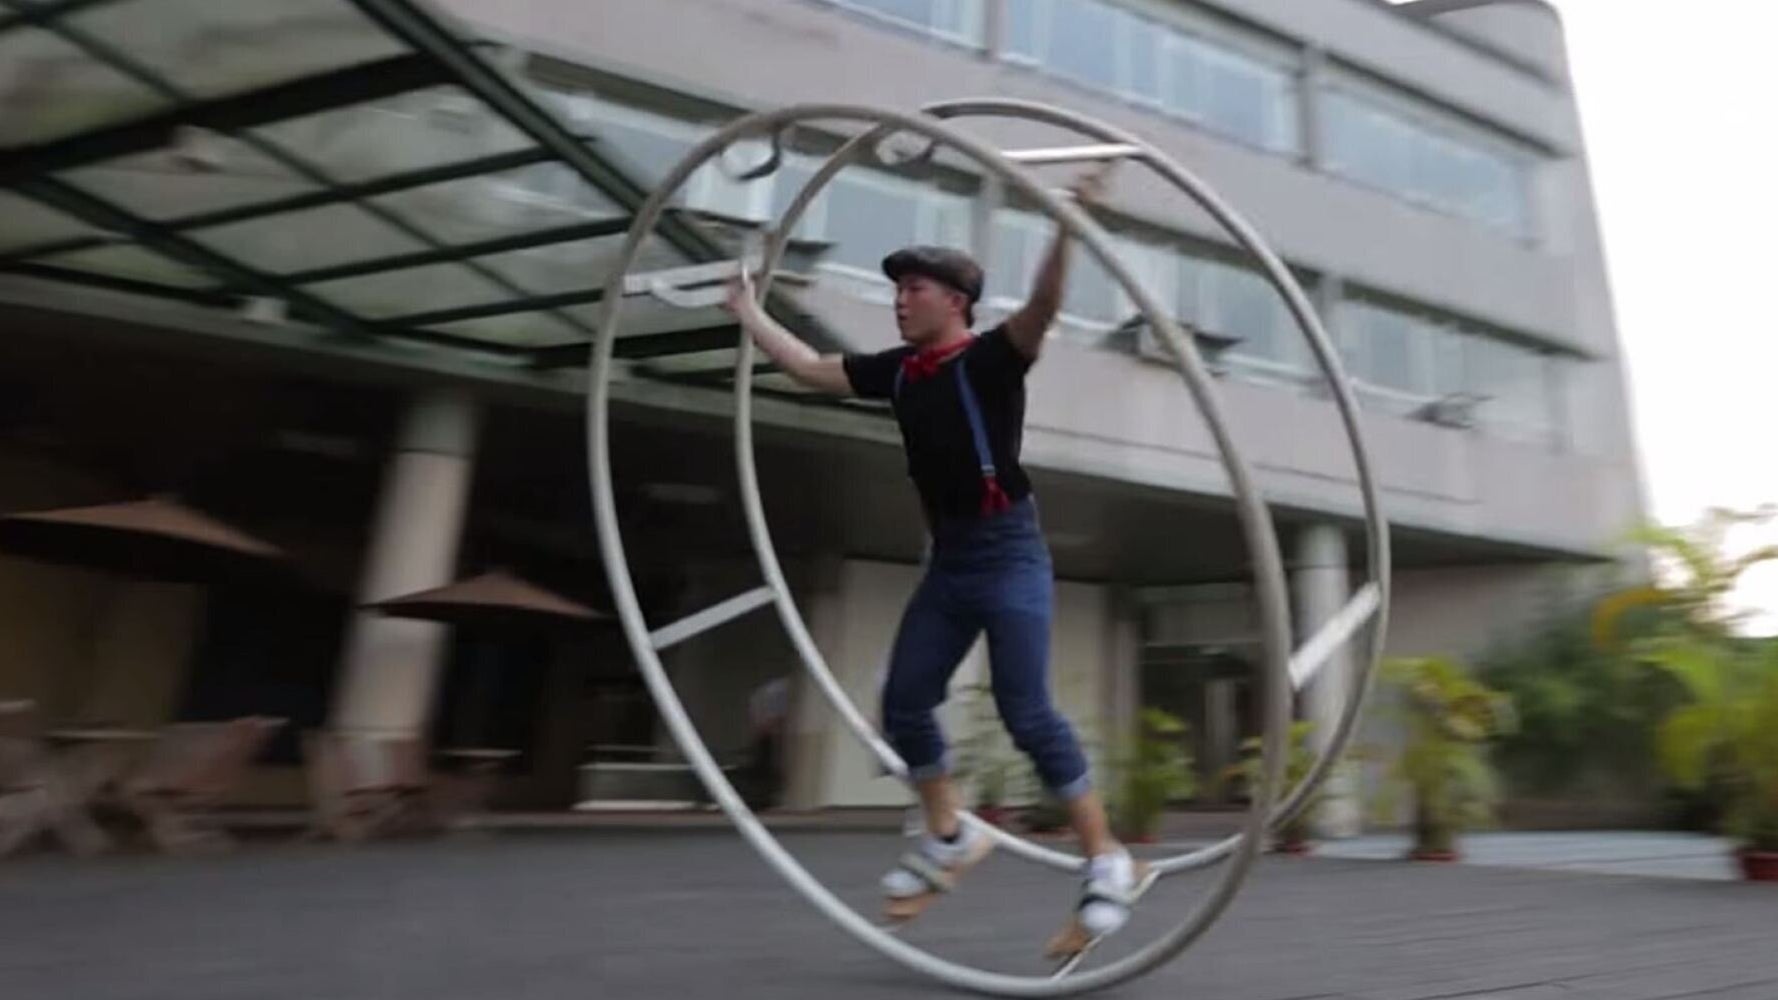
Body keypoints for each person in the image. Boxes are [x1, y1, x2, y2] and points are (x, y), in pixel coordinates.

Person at [722, 168, 1140, 943]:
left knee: (1025, 708)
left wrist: (1070, 219)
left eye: (914, 288)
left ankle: (1106, 856)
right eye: (898, 288)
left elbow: (1044, 307)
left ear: (956, 301)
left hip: (1010, 551)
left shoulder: (989, 360)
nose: (900, 298)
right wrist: (747, 311)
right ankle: (950, 833)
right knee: (905, 702)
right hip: (949, 562)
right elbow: (811, 368)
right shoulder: (899, 372)